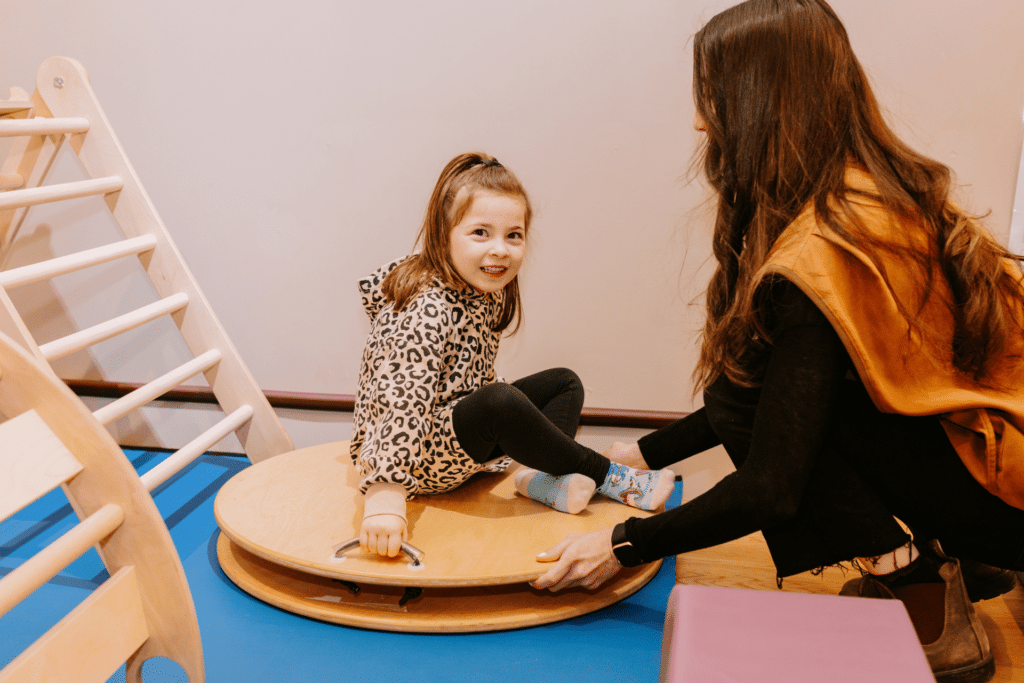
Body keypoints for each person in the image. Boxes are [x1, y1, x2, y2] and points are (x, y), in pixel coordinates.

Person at [530, 2, 1024, 682]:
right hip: (998, 479)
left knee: (743, 395)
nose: (700, 120)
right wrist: (642, 452)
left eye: (712, 96)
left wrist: (622, 543)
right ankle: (945, 565)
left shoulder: (823, 250)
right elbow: (789, 393)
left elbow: (772, 486)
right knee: (751, 386)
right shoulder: (875, 194)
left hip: (1000, 506)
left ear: (760, 102)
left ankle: (923, 596)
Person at [351, 151, 675, 559]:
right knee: (499, 400)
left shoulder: (481, 288)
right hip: (416, 459)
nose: (500, 250)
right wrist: (384, 497)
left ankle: (541, 480)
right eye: (480, 233)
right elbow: (400, 404)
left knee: (564, 382)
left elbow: (469, 379)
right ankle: (612, 477)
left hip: (454, 437)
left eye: (514, 236)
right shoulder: (425, 309)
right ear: (442, 234)